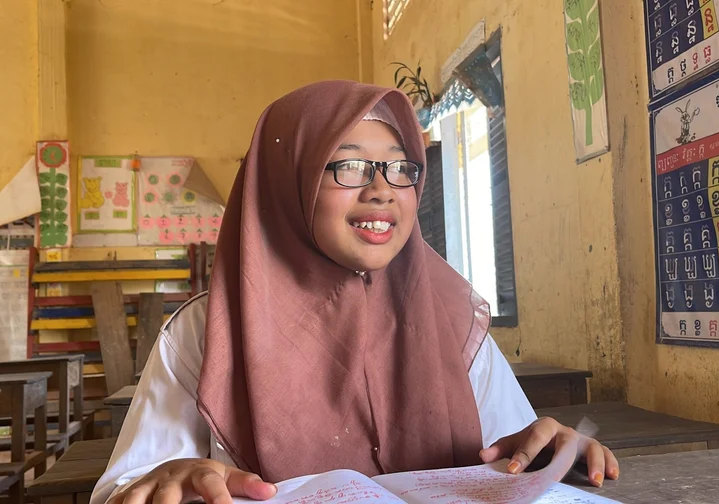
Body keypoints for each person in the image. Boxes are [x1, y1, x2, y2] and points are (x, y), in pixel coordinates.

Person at [91, 81, 618, 504]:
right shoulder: (205, 333)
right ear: (285, 182)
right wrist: (170, 478)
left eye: (400, 167)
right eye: (347, 165)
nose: (382, 189)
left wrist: (553, 454)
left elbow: (516, 454)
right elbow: (124, 490)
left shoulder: (450, 317)